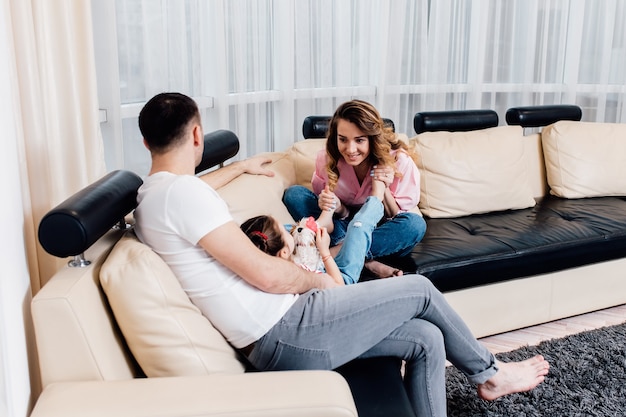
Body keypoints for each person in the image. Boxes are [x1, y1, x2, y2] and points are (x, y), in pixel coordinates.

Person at [134, 92, 549, 417]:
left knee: (425, 338)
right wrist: (323, 284)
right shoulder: (183, 195)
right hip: (287, 329)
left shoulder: (152, 196)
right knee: (421, 290)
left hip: (279, 328)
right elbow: (270, 277)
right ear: (196, 137)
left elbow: (195, 188)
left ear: (145, 141)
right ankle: (490, 374)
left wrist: (238, 168)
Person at [283, 99, 427, 278]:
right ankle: (369, 262)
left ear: (372, 139)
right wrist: (336, 206)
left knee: (415, 225)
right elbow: (338, 215)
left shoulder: (400, 162)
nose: (350, 149)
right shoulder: (328, 159)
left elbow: (395, 216)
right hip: (344, 225)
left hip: (380, 232)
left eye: (359, 140)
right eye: (343, 139)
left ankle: (332, 253)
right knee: (295, 194)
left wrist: (384, 189)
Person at [241, 181, 386, 285]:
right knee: (358, 227)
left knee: (283, 227)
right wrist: (325, 253)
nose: (287, 232)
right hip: (338, 275)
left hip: (314, 259)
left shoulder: (274, 254)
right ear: (283, 253)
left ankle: (322, 223)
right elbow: (338, 285)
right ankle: (377, 197)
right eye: (285, 234)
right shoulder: (295, 275)